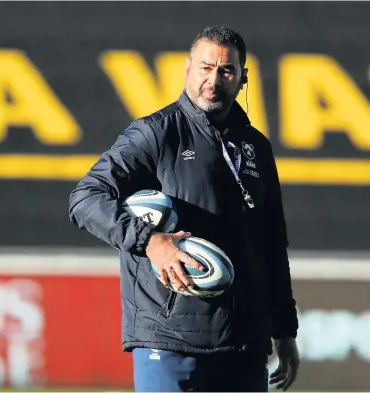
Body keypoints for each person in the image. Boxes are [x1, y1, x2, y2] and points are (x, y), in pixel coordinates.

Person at [69, 25, 300, 392]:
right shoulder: (156, 133)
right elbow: (86, 198)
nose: (214, 79)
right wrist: (150, 241)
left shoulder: (256, 147)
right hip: (169, 340)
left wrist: (285, 331)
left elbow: (272, 246)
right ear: (188, 69)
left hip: (245, 341)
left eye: (226, 71)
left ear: (243, 78)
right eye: (205, 68)